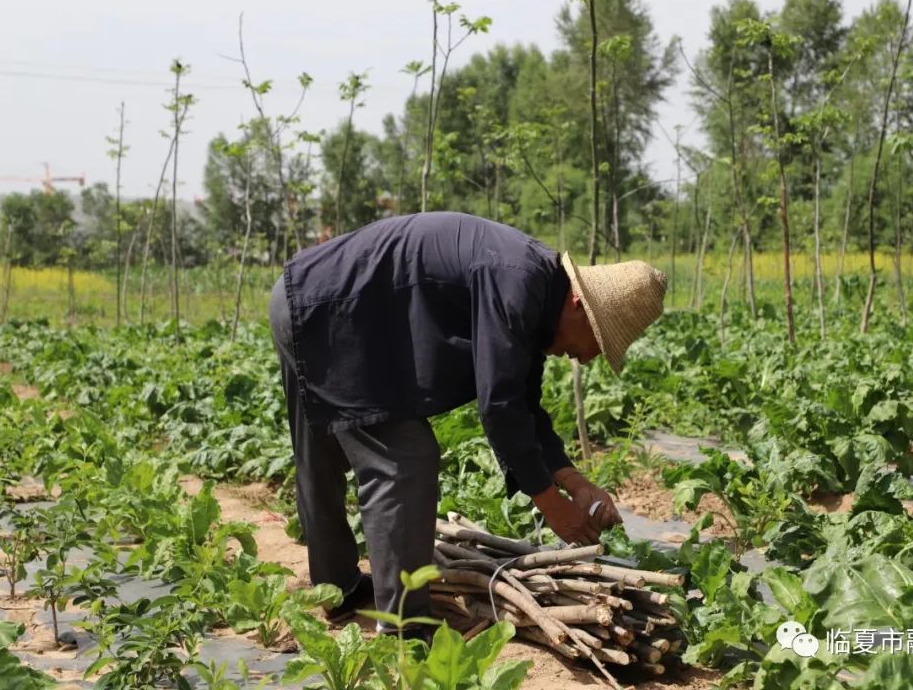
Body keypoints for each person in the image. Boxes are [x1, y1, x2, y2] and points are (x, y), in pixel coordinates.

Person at [267, 211, 667, 631]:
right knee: (405, 459)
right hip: (326, 310)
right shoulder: (518, 283)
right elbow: (499, 404)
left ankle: (340, 589)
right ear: (578, 303)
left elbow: (524, 407)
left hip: (310, 299)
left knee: (322, 454)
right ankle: (405, 626)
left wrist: (576, 484)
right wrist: (552, 506)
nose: (587, 357)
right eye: (597, 341)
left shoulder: (533, 289)